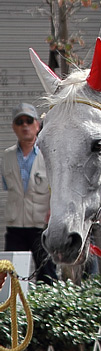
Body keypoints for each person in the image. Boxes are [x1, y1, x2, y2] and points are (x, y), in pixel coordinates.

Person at [2, 103, 57, 285]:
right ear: (14, 127)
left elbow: (56, 189)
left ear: (37, 125)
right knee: (11, 278)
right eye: (20, 122)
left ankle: (48, 311)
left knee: (47, 277)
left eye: (29, 121)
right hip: (15, 227)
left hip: (41, 227)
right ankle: (13, 312)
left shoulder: (48, 155)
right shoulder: (7, 157)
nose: (24, 126)